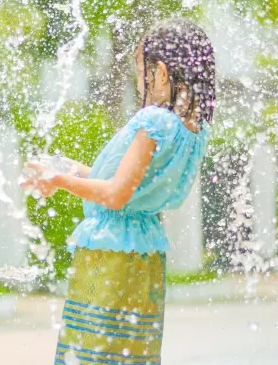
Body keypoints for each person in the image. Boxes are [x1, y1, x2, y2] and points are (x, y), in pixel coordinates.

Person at [20, 19, 216, 365]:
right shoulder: (194, 130)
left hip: (111, 252)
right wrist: (68, 169)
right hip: (146, 252)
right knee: (131, 354)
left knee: (90, 353)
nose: (140, 80)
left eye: (142, 71)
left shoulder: (154, 121)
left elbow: (115, 196)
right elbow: (127, 185)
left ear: (163, 72)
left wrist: (60, 181)